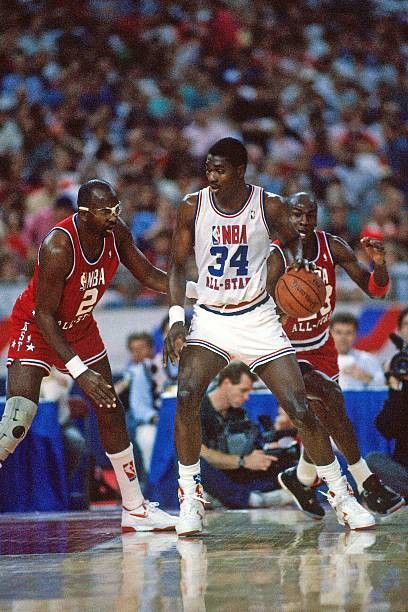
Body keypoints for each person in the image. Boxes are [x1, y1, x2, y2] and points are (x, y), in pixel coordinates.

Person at [165, 137, 374, 537]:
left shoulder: (269, 204)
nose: (211, 176)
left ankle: (341, 495)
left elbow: (294, 242)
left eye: (219, 169)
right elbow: (176, 266)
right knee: (187, 394)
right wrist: (177, 318)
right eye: (208, 168)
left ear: (240, 171)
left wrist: (285, 270)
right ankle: (191, 497)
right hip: (211, 315)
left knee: (300, 407)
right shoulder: (193, 205)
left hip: (258, 316)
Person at [1, 179, 176, 532]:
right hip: (38, 325)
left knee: (111, 406)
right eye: (105, 211)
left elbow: (147, 274)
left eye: (117, 209)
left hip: (79, 327)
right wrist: (80, 372)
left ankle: (135, 509)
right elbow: (46, 316)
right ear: (83, 214)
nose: (114, 216)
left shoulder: (116, 232)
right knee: (18, 418)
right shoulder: (57, 246)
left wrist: (199, 288)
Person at [267, 192, 403, 517]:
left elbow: (375, 289)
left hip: (321, 345)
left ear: (317, 216)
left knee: (324, 420)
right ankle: (368, 484)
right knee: (329, 402)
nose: (303, 221)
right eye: (296, 215)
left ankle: (300, 479)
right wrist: (282, 310)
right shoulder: (276, 255)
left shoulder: (333, 246)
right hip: (284, 349)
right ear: (287, 217)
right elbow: (259, 307)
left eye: (309, 215)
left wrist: (380, 265)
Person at [200, 361, 296, 509]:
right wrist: (243, 461)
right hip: (213, 474)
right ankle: (251, 499)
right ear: (226, 383)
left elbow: (254, 443)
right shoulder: (198, 411)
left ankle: (227, 499)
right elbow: (204, 454)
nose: (246, 397)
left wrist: (268, 449)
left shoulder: (239, 413)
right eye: (243, 390)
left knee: (286, 459)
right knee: (198, 464)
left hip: (236, 474)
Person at [366, 307, 408, 497]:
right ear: (400, 330)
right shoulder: (399, 370)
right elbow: (385, 428)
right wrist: (396, 387)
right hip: (404, 468)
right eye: (407, 324)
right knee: (373, 459)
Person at [114, 332, 161, 477]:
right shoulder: (132, 372)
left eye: (142, 348)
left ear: (152, 348)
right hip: (140, 419)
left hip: (162, 413)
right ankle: (147, 481)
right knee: (143, 436)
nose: (138, 353)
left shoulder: (162, 367)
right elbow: (116, 392)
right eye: (134, 350)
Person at [330, 313, 385, 390]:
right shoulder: (320, 361)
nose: (343, 338)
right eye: (339, 332)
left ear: (355, 335)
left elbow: (383, 386)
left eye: (348, 333)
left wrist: (367, 378)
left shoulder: (367, 359)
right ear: (330, 334)